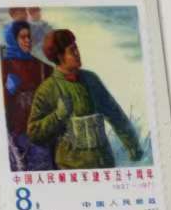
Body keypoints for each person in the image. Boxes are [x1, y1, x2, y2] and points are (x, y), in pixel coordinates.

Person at [26, 28, 143, 170]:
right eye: (72, 50)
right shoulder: (48, 89)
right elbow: (33, 133)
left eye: (76, 48)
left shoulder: (91, 79)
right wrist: (57, 116)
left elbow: (115, 114)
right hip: (70, 167)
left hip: (104, 162)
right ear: (60, 56)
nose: (77, 53)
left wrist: (133, 145)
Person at [0, 18, 52, 172]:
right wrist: (7, 90)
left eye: (29, 36)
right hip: (14, 135)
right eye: (22, 37)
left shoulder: (42, 67)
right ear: (12, 39)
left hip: (38, 134)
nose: (28, 40)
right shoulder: (4, 66)